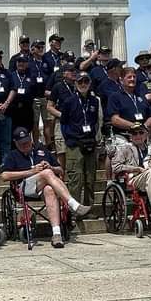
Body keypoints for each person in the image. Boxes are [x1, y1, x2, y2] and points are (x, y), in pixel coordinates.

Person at [2, 127, 89, 248]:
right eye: (22, 143)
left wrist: (51, 167)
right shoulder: (13, 155)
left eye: (27, 141)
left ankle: (56, 233)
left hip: (42, 186)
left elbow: (60, 170)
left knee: (49, 189)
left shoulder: (41, 150)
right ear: (16, 143)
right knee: (47, 174)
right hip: (23, 187)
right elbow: (4, 176)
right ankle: (72, 204)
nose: (25, 145)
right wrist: (31, 172)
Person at [55, 70, 101, 209]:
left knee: (90, 178)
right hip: (75, 144)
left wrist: (94, 137)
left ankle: (89, 208)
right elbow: (63, 123)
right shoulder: (69, 101)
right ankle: (75, 210)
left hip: (90, 143)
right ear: (75, 83)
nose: (83, 84)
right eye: (80, 81)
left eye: (86, 81)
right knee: (76, 178)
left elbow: (95, 121)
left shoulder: (94, 101)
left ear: (90, 83)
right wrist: (70, 139)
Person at [105, 66, 151, 145]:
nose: (132, 79)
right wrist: (135, 126)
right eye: (129, 77)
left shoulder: (141, 96)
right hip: (124, 137)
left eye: (134, 77)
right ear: (121, 80)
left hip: (142, 136)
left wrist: (144, 127)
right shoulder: (115, 96)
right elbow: (115, 120)